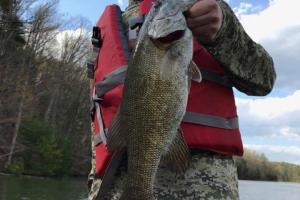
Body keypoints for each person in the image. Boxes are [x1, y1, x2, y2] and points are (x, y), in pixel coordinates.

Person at [88, 0, 276, 199]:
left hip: (203, 191)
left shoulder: (204, 10)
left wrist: (224, 34)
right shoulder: (108, 29)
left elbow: (265, 80)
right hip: (115, 191)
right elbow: (98, 120)